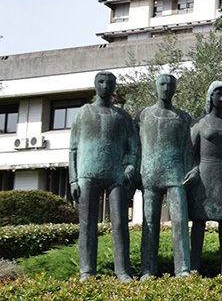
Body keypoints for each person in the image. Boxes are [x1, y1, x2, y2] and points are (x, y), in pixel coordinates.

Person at [68, 71, 139, 281]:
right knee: (87, 224)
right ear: (94, 85)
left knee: (120, 223)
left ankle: (122, 271)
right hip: (87, 174)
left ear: (115, 86)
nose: (105, 85)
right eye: (101, 81)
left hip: (116, 174)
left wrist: (130, 166)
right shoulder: (82, 113)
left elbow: (133, 147)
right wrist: (73, 179)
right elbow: (73, 149)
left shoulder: (123, 117)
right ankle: (87, 272)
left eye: (110, 82)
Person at [135, 74, 195, 280]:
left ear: (175, 88)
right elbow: (134, 146)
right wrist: (135, 172)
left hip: (176, 176)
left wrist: (192, 170)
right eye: (162, 84)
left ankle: (183, 270)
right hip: (149, 176)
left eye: (170, 85)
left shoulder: (184, 118)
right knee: (149, 224)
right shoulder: (143, 116)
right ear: (156, 86)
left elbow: (190, 149)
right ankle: (147, 270)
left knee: (179, 221)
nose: (166, 88)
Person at [189, 82, 222, 276]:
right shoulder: (199, 124)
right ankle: (194, 268)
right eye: (218, 94)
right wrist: (192, 171)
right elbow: (189, 152)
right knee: (199, 221)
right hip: (204, 177)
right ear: (210, 96)